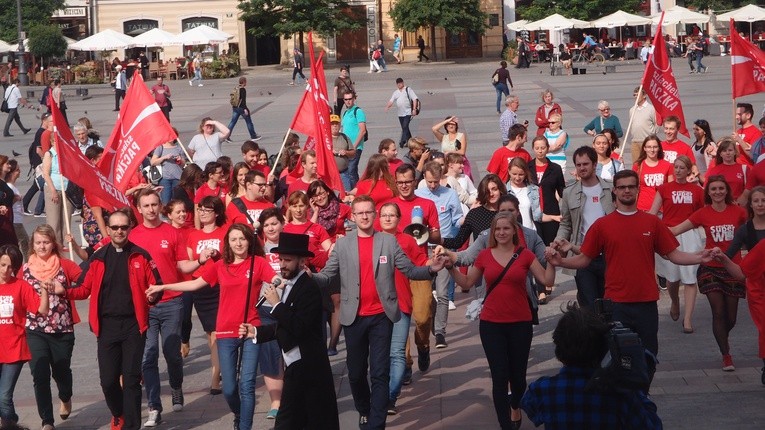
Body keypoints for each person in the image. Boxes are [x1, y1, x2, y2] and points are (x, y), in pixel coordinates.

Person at [548, 170, 712, 379]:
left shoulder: (652, 223)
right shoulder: (602, 225)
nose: (626, 190)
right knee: (619, 358)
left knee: (649, 356)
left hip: (646, 303)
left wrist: (700, 257)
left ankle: (641, 395)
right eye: (622, 187)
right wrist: (561, 261)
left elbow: (674, 255)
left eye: (631, 186)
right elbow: (584, 259)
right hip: (617, 304)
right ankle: (624, 398)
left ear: (638, 190)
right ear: (614, 191)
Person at [311, 195, 446, 429]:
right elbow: (327, 275)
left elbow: (410, 270)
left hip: (382, 315)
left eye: (368, 212)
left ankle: (376, 421)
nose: (364, 216)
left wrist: (431, 270)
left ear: (374, 215)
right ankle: (364, 409)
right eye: (359, 212)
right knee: (355, 373)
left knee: (380, 371)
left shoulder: (388, 242)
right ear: (352, 217)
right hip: (354, 317)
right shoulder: (343, 245)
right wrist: (307, 276)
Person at [146, 223, 278, 430]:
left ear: (249, 240)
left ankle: (244, 426)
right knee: (229, 389)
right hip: (225, 331)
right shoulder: (220, 266)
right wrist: (164, 286)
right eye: (233, 239)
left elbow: (275, 277)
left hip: (251, 328)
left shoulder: (258, 263)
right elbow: (194, 284)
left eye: (242, 238)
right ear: (228, 243)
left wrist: (281, 280)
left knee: (247, 385)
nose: (238, 243)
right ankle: (238, 413)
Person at [54, 208, 161, 430]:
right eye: (115, 228)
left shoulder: (140, 255)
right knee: (108, 380)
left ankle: (132, 426)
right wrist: (62, 290)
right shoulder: (98, 258)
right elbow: (83, 289)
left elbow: (156, 286)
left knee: (131, 380)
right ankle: (118, 413)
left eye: (124, 227)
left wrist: (153, 296)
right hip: (107, 327)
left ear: (130, 228)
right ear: (108, 230)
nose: (120, 231)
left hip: (134, 325)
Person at [448, 212, 555, 429]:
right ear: (492, 232)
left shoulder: (525, 255)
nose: (502, 232)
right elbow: (468, 281)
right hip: (491, 324)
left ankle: (515, 404)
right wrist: (451, 268)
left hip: (520, 323)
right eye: (498, 229)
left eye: (506, 228)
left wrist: (552, 262)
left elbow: (546, 279)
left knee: (518, 379)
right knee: (499, 376)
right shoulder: (485, 255)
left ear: (514, 231)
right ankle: (504, 424)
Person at [239, 232, 340, 428]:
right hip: (296, 365)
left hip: (308, 368)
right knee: (299, 420)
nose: (282, 264)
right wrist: (257, 332)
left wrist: (276, 305)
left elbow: (299, 326)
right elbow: (285, 325)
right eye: (281, 259)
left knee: (290, 421)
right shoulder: (290, 285)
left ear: (302, 261)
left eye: (288, 260)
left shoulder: (308, 288)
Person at [521, 303, 663, 429]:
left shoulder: (543, 390)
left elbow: (528, 405)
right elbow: (653, 425)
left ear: (559, 352)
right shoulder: (621, 395)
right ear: (602, 348)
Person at [130, 189, 202, 426]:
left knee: (172, 354)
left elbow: (183, 265)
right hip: (145, 306)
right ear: (139, 209)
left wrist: (201, 261)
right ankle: (154, 406)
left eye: (154, 204)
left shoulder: (172, 233)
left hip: (172, 301)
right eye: (146, 205)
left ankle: (176, 386)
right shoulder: (133, 236)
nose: (151, 209)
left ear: (160, 206)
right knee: (148, 357)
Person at [670, 176, 747, 370]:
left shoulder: (738, 212)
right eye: (713, 189)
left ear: (727, 191)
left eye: (721, 188)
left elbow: (755, 229)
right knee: (718, 312)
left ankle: (722, 336)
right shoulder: (703, 213)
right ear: (708, 192)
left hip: (733, 268)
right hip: (710, 268)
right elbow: (676, 230)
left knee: (731, 318)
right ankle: (726, 355)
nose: (718, 192)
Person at [20, 225, 82, 430]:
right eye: (38, 242)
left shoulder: (65, 265)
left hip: (62, 329)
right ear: (32, 244)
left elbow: (85, 284)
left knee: (61, 370)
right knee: (39, 374)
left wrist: (65, 289)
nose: (42, 246)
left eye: (46, 242)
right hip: (34, 329)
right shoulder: (25, 269)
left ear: (53, 243)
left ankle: (65, 395)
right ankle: (47, 420)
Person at [376, 202, 428, 414]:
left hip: (400, 304)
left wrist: (437, 261)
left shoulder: (406, 240)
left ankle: (390, 397)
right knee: (380, 356)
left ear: (399, 219)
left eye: (392, 215)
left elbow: (422, 262)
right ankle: (381, 393)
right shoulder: (371, 240)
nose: (388, 219)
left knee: (397, 354)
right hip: (374, 307)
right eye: (384, 215)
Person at [649, 156, 704, 333]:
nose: (678, 170)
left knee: (690, 277)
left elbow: (703, 214)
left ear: (689, 170)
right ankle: (674, 301)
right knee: (672, 278)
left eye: (682, 168)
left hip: (689, 234)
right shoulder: (664, 188)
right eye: (676, 167)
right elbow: (652, 213)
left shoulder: (697, 190)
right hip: (668, 234)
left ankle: (687, 320)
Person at [555, 146, 615, 308]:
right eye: (578, 165)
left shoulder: (611, 189)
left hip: (609, 255)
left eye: (585, 164)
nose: (582, 168)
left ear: (595, 164)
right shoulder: (569, 193)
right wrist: (558, 241)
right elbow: (565, 223)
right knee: (589, 304)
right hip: (582, 254)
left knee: (610, 302)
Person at [0, 244, 50, 430]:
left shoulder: (21, 286)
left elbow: (41, 310)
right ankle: (11, 424)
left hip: (14, 348)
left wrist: (45, 289)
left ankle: (9, 426)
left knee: (4, 395)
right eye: (3, 264)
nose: (6, 270)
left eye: (10, 266)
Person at [722, 186, 765, 383]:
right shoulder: (746, 229)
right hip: (757, 285)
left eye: (763, 200)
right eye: (756, 201)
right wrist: (720, 259)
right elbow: (733, 256)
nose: (760, 204)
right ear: (751, 205)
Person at [529, 136, 565, 248]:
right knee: (535, 247)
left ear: (548, 148)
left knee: (550, 247)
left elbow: (562, 191)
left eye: (543, 148)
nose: (540, 151)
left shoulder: (555, 168)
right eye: (537, 148)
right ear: (533, 149)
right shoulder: (527, 167)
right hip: (532, 212)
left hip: (551, 211)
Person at [40, 136, 71, 247]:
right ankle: (55, 244)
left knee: (66, 219)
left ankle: (66, 243)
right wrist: (53, 190)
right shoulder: (50, 154)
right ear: (52, 142)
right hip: (53, 188)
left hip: (66, 189)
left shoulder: (65, 153)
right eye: (57, 141)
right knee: (54, 221)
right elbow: (46, 174)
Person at [633, 135, 674, 212]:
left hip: (662, 209)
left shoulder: (667, 165)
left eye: (655, 147)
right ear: (644, 148)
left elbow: (671, 188)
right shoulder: (638, 165)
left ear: (659, 148)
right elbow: (633, 188)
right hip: (642, 209)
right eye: (649, 147)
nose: (652, 150)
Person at [340, 91, 367, 189]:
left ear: (354, 99)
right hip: (346, 147)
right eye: (346, 99)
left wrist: (354, 146)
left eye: (350, 99)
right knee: (349, 171)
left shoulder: (358, 111)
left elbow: (362, 130)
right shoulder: (345, 113)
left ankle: (356, 191)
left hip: (355, 147)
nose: (348, 101)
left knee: (351, 170)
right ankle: (354, 189)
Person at [150, 136, 187, 205]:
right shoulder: (160, 147)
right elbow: (153, 162)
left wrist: (180, 160)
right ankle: (165, 215)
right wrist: (164, 157)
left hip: (177, 178)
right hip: (164, 178)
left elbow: (183, 164)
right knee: (166, 201)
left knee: (177, 202)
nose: (171, 137)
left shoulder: (179, 148)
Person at [627, 87, 658, 164]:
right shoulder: (632, 110)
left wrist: (652, 136)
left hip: (647, 141)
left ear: (644, 96)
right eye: (634, 95)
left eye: (637, 95)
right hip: (635, 141)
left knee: (648, 163)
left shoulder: (651, 109)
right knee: (636, 164)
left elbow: (657, 124)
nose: (635, 97)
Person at [386, 78, 418, 149]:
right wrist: (387, 106)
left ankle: (402, 141)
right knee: (405, 127)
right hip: (400, 113)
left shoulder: (408, 89)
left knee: (405, 126)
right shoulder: (396, 92)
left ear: (403, 83)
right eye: (398, 83)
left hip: (408, 112)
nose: (399, 84)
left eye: (400, 83)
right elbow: (391, 100)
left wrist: (414, 109)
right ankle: (410, 142)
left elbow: (414, 99)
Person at [4, 160, 27, 257]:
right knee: (25, 242)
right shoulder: (9, 187)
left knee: (20, 243)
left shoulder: (12, 186)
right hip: (15, 221)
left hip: (17, 219)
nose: (20, 172)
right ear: (12, 173)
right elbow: (7, 204)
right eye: (17, 170)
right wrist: (15, 198)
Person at [227, 77, 261, 141]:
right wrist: (245, 109)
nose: (246, 83)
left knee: (233, 122)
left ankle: (226, 136)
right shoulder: (242, 90)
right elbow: (243, 101)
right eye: (246, 81)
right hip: (241, 108)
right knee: (249, 122)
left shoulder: (236, 89)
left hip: (235, 108)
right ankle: (253, 136)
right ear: (244, 82)